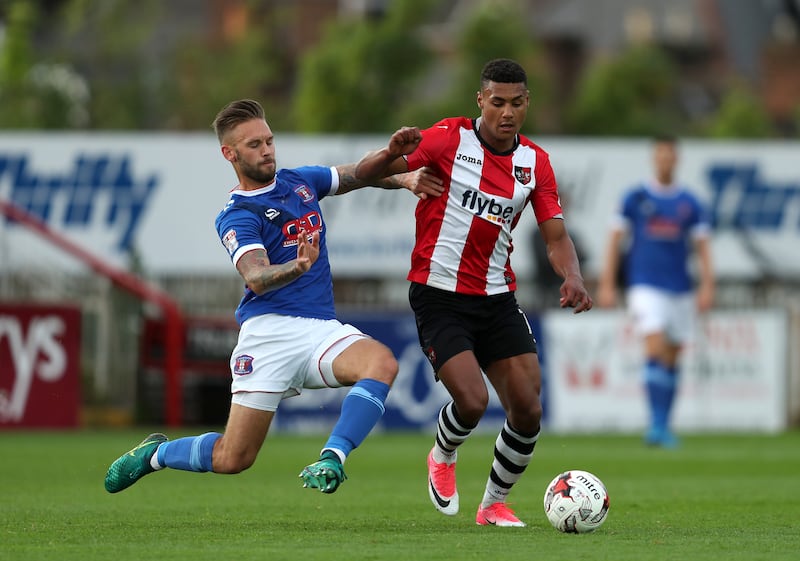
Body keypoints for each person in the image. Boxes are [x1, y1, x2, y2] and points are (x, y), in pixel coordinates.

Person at [104, 99, 441, 495]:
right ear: (229, 153)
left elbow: (357, 174)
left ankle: (332, 458)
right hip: (268, 335)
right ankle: (155, 455)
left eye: (269, 140)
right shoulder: (236, 215)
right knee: (234, 458)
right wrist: (297, 267)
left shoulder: (300, 181)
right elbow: (257, 277)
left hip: (319, 329)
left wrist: (396, 169)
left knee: (381, 363)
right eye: (253, 144)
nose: (267, 150)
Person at [355, 58, 592, 527]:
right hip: (438, 293)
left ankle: (493, 504)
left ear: (528, 104)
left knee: (527, 407)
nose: (507, 112)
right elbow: (364, 173)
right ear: (480, 100)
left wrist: (573, 276)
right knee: (473, 401)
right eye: (498, 102)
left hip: (497, 297)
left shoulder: (534, 162)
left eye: (517, 103)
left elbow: (556, 235)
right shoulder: (448, 138)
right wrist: (392, 156)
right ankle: (442, 455)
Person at [596, 134, 714, 448]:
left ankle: (664, 424)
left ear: (677, 159)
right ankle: (656, 426)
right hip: (645, 284)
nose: (665, 160)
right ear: (654, 158)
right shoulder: (634, 197)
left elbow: (703, 247)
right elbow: (614, 240)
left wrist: (707, 286)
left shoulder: (690, 202)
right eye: (660, 154)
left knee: (673, 356)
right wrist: (607, 283)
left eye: (670, 155)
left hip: (681, 287)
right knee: (655, 346)